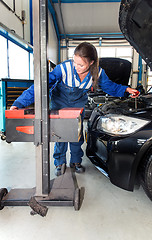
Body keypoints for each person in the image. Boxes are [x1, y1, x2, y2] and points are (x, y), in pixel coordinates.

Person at [10, 42, 139, 176]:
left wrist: (126, 89)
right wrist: (19, 103)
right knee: (59, 135)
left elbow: (110, 87)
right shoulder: (63, 69)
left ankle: (76, 161)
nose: (76, 67)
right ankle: (60, 163)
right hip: (59, 104)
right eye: (75, 62)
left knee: (76, 135)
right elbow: (41, 85)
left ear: (91, 63)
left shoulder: (98, 73)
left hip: (77, 106)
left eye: (81, 65)